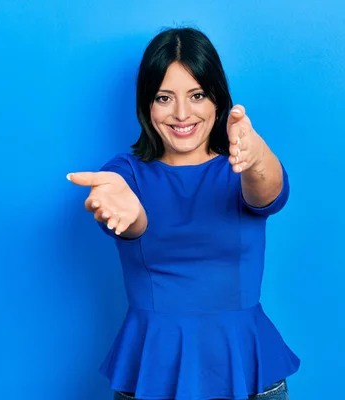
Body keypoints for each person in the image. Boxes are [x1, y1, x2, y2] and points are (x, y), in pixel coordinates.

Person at [67, 27, 300, 400]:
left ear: (217, 101)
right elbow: (133, 219)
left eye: (197, 95)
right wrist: (121, 210)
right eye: (164, 97)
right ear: (146, 104)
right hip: (152, 371)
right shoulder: (126, 173)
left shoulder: (239, 168)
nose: (181, 114)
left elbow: (268, 193)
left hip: (249, 370)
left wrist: (256, 157)